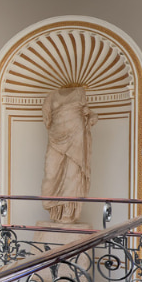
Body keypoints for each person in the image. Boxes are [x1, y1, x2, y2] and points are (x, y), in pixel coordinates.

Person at [40, 86, 98, 223]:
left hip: (76, 135)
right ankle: (55, 210)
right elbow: (47, 119)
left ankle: (68, 212)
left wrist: (91, 116)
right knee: (50, 173)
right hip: (55, 136)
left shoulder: (80, 93)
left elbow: (91, 115)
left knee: (73, 173)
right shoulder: (51, 96)